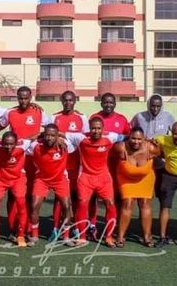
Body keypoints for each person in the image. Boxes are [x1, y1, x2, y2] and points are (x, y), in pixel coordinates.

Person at [0, 86, 49, 240]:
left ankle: (27, 227)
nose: (23, 101)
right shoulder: (10, 112)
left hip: (34, 159)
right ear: (17, 98)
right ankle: (13, 228)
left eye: (26, 98)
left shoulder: (39, 112)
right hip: (15, 158)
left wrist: (38, 135)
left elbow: (51, 129)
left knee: (30, 195)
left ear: (31, 97)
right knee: (13, 195)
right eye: (21, 98)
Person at [65, 117, 125, 247]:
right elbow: (63, 134)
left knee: (110, 204)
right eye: (93, 128)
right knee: (82, 205)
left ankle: (108, 237)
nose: (96, 131)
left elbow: (126, 137)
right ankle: (82, 237)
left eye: (98, 128)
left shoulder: (111, 137)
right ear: (89, 129)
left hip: (103, 177)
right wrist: (58, 138)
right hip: (85, 177)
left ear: (103, 129)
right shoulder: (81, 138)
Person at [88, 92, 131, 240]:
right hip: (96, 165)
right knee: (92, 198)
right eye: (105, 102)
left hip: (116, 166)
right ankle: (92, 227)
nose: (108, 104)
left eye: (111, 102)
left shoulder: (121, 119)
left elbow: (128, 137)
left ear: (115, 103)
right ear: (101, 103)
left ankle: (112, 229)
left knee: (113, 199)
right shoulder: (95, 117)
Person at [27, 124, 76, 247]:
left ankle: (66, 236)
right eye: (47, 135)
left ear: (57, 136)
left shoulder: (65, 145)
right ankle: (34, 235)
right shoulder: (35, 146)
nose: (49, 138)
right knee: (34, 205)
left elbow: (77, 144)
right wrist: (38, 135)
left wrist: (60, 138)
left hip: (60, 179)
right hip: (42, 179)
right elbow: (25, 142)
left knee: (66, 206)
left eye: (53, 135)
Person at [49, 90, 88, 241]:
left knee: (76, 198)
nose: (68, 103)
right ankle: (55, 228)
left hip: (77, 163)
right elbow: (48, 135)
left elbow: (85, 139)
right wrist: (57, 137)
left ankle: (75, 227)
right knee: (60, 198)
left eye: (70, 100)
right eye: (65, 100)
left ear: (75, 101)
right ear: (61, 100)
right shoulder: (54, 117)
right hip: (60, 164)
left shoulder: (81, 117)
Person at [113, 127, 160, 247]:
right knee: (127, 203)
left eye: (139, 139)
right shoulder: (120, 147)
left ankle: (147, 237)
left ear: (144, 139)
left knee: (145, 203)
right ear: (129, 137)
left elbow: (162, 156)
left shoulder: (151, 148)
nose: (136, 141)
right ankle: (120, 236)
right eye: (133, 138)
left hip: (145, 177)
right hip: (126, 177)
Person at [0, 132, 29, 247]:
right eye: (6, 144)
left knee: (21, 202)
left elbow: (35, 137)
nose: (9, 147)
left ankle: (20, 235)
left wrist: (60, 138)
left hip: (17, 178)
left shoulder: (23, 144)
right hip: (0, 179)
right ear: (2, 142)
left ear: (16, 143)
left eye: (11, 144)